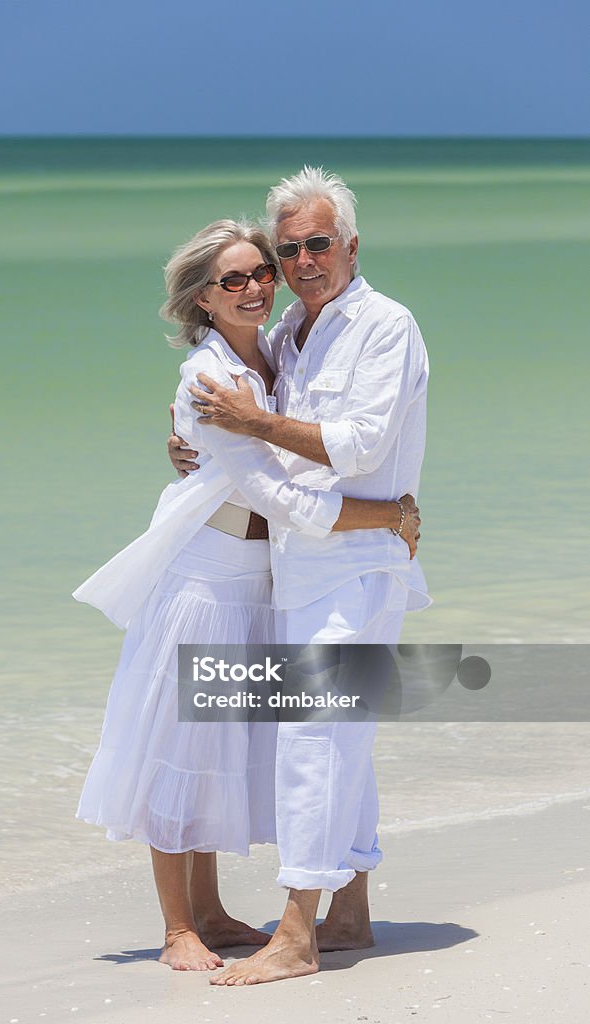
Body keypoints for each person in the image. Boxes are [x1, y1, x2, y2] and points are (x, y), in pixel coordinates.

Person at [73, 218, 422, 974]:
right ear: (202, 297)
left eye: (260, 270)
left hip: (263, 581)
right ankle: (178, 928)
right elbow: (275, 490)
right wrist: (389, 515)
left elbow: (304, 444)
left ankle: (211, 908)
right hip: (205, 579)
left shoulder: (280, 348)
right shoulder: (212, 376)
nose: (257, 285)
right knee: (179, 745)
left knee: (224, 743)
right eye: (232, 280)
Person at [168, 167, 431, 985]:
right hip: (300, 567)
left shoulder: (385, 326)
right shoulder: (289, 330)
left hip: (355, 569)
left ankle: (296, 934)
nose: (304, 260)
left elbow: (357, 446)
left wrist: (250, 424)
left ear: (350, 245)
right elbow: (237, 416)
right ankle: (349, 910)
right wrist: (194, 443)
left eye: (318, 243)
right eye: (289, 251)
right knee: (338, 738)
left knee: (313, 739)